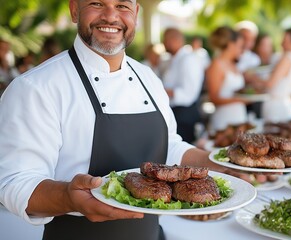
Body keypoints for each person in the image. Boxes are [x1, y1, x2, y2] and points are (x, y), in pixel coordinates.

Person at [0, 1, 232, 239]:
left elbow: (169, 146)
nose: (111, 16)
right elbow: (16, 183)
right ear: (73, 10)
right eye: (97, 3)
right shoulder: (35, 87)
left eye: (122, 5)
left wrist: (220, 163)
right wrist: (68, 197)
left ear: (136, 14)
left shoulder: (147, 77)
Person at [247, 26, 291, 123]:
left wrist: (251, 78)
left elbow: (270, 84)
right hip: (285, 103)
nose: (281, 43)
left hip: (276, 107)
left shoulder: (286, 58)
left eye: (285, 40)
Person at [162, 28, 205, 143]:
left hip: (184, 114)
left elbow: (189, 92)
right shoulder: (174, 59)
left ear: (174, 40)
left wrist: (160, 91)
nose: (163, 43)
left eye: (165, 39)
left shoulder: (188, 59)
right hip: (175, 112)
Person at [205, 26, 248, 131]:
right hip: (224, 121)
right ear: (230, 44)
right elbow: (213, 98)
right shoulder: (216, 65)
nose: (241, 50)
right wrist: (240, 100)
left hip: (239, 118)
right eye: (240, 46)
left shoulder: (233, 64)